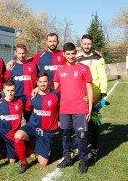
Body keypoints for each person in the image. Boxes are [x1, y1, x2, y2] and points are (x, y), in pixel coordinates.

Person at [54, 42, 93, 174]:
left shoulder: (83, 68)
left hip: (80, 109)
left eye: (72, 53)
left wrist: (90, 108)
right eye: (68, 54)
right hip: (64, 109)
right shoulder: (60, 70)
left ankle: (83, 161)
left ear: (76, 53)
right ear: (64, 54)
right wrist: (38, 87)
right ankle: (67, 158)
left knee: (82, 135)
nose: (70, 56)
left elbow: (89, 88)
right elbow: (52, 88)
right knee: (65, 135)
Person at [14, 72, 60, 174]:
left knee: (43, 163)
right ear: (36, 82)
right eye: (40, 82)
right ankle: (24, 162)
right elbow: (28, 108)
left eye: (45, 81)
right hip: (33, 126)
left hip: (47, 131)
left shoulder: (56, 95)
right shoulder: (33, 96)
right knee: (18, 136)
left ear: (49, 82)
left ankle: (36, 144)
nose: (43, 84)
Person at [76, 34, 108, 160]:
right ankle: (80, 145)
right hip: (80, 94)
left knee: (93, 122)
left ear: (92, 44)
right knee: (80, 121)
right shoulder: (77, 57)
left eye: (89, 44)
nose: (87, 46)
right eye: (84, 44)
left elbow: (103, 76)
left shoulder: (98, 58)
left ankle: (94, 148)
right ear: (81, 43)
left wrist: (103, 93)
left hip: (94, 95)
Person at [4, 44, 37, 122]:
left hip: (30, 97)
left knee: (30, 119)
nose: (21, 55)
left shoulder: (33, 65)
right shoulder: (11, 66)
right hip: (17, 97)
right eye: (19, 53)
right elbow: (6, 80)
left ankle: (30, 133)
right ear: (15, 53)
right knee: (15, 120)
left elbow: (39, 78)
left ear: (26, 53)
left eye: (23, 53)